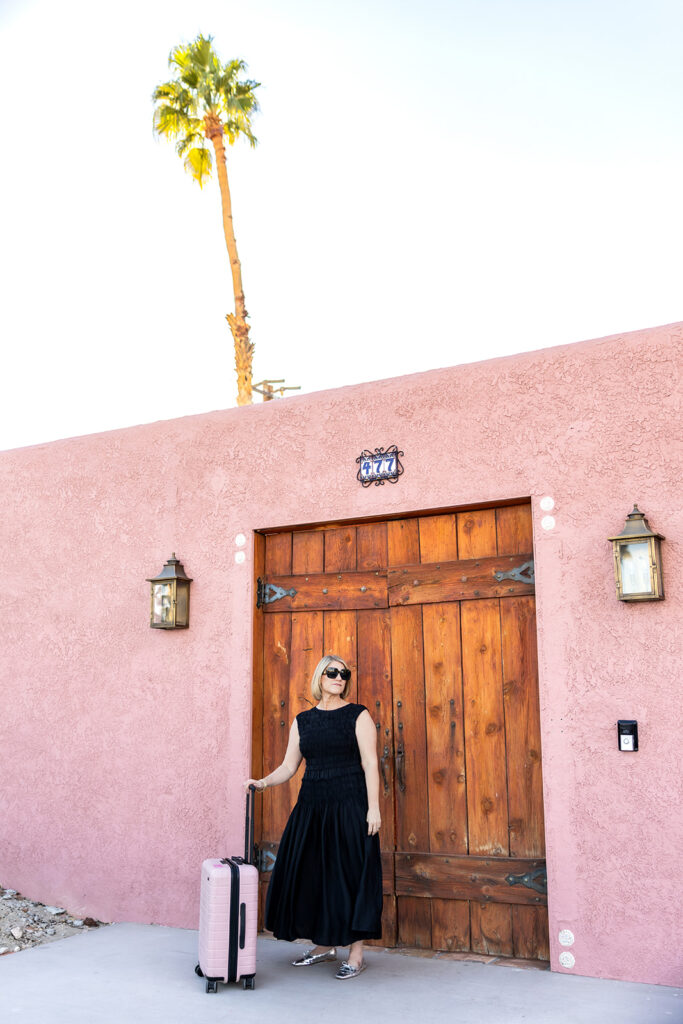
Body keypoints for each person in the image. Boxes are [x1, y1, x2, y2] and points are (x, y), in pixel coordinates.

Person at [244, 654, 383, 979]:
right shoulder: (303, 721)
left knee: (350, 875)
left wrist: (373, 807)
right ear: (320, 678)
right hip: (312, 807)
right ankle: (324, 945)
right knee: (313, 875)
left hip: (350, 805)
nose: (339, 678)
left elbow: (370, 764)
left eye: (344, 674)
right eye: (332, 673)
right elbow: (289, 766)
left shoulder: (358, 715)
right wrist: (262, 782)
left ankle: (356, 952)